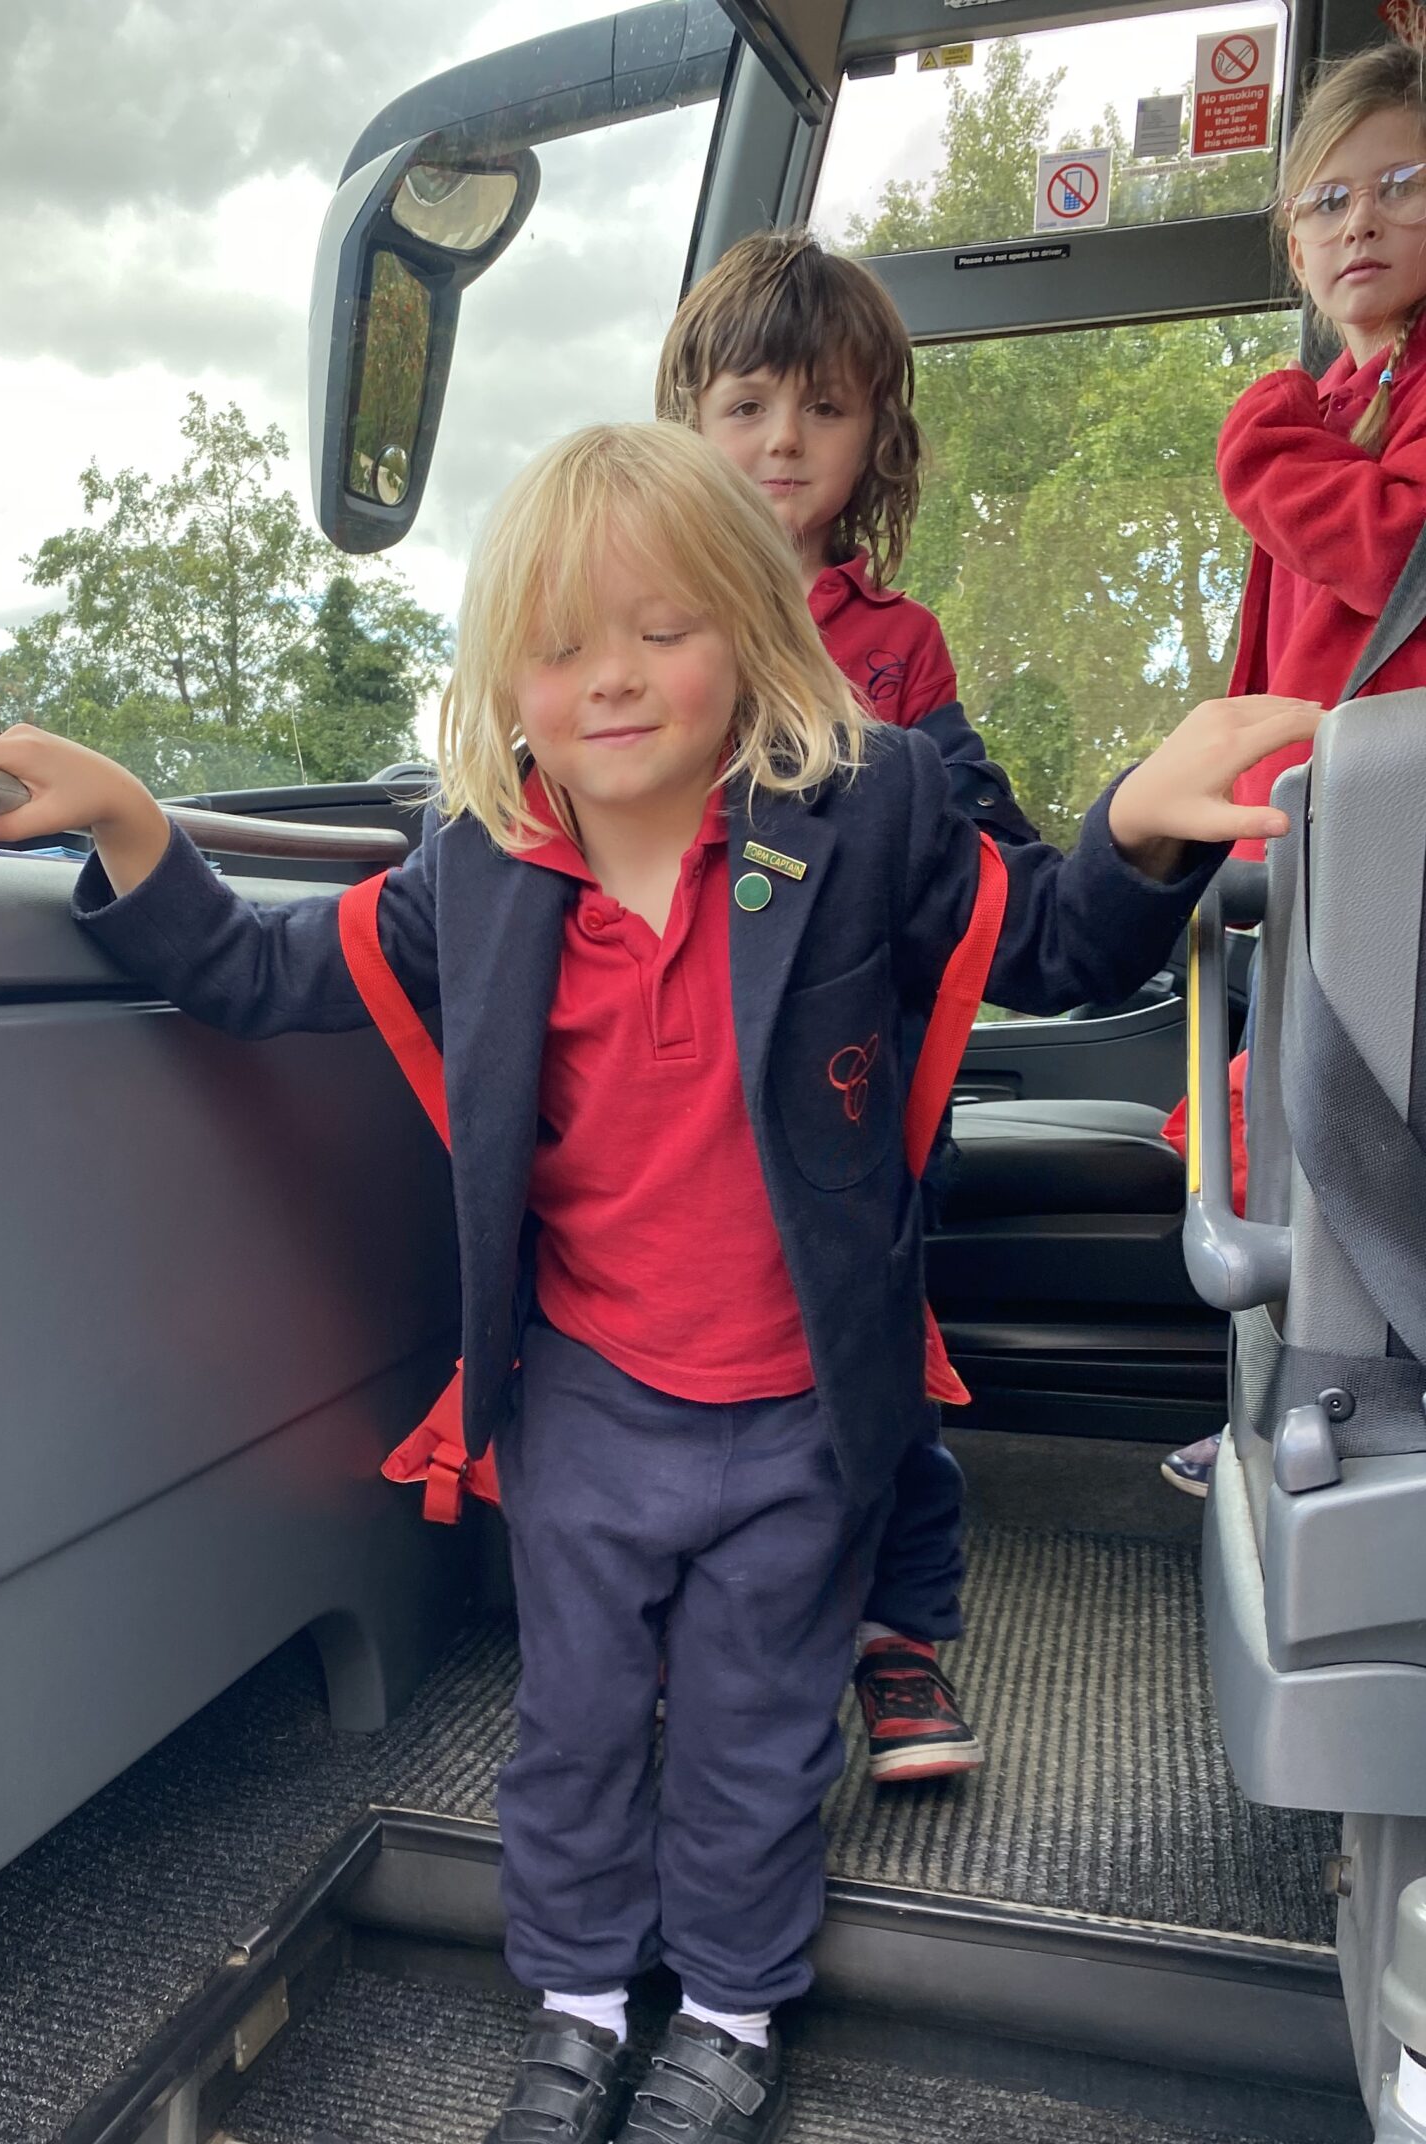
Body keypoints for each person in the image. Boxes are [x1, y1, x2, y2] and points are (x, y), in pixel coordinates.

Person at [0, 423, 1311, 2144]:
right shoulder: (484, 873)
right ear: (503, 681)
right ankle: (584, 2014)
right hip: (588, 1402)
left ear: (752, 636)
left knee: (756, 1732)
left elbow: (1059, 945)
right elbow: (276, 975)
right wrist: (136, 835)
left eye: (663, 631)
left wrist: (1142, 818)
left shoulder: (872, 819)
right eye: (560, 646)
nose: (609, 679)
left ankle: (732, 2024)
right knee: (578, 1728)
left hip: (800, 1418)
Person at [655, 228, 1037, 1780]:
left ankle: (898, 1638)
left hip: (859, 1089)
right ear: (690, 418)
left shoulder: (893, 650)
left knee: (879, 1364)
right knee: (696, 1386)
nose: (780, 443)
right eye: (746, 406)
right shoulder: (645, 630)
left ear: (875, 433)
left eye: (821, 409)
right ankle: (726, 1636)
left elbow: (974, 858)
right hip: (686, 1090)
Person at [1161, 36, 1426, 1499]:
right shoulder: (1335, 409)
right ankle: (1294, 1394)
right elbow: (1278, 664)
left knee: (1356, 1129)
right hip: (1319, 832)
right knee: (1282, 1128)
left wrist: (1259, 438)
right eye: (1325, 202)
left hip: (1402, 831)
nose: (1360, 222)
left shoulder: (1317, 422)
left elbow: (1394, 548)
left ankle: (1346, 1404)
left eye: (1401, 184)